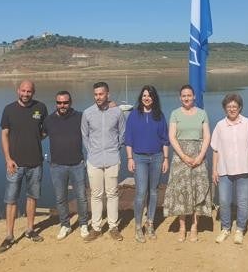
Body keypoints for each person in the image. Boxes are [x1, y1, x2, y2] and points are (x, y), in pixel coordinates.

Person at [0, 80, 48, 253]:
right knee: (11, 200)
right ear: (18, 91)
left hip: (35, 163)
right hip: (15, 164)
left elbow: (45, 130)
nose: (26, 94)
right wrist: (8, 159)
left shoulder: (41, 108)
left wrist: (33, 139)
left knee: (32, 197)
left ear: (33, 92)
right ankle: (9, 235)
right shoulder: (8, 110)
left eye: (29, 91)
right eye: (23, 91)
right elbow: (4, 134)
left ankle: (30, 230)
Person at [163, 84, 212, 242]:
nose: (186, 98)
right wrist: (184, 156)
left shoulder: (202, 113)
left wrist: (200, 157)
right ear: (180, 98)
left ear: (194, 97)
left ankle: (194, 227)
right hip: (180, 157)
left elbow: (207, 137)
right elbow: (172, 137)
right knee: (181, 192)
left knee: (197, 190)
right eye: (183, 96)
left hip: (199, 156)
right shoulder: (175, 114)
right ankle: (182, 227)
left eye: (189, 95)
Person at [81, 81, 126, 242]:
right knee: (96, 194)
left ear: (108, 94)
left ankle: (113, 227)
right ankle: (96, 228)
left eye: (101, 94)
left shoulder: (117, 113)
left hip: (113, 158)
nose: (98, 97)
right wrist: (92, 152)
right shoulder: (87, 113)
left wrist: (115, 148)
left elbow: (122, 134)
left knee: (113, 194)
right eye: (96, 94)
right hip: (94, 160)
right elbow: (85, 136)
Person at [125, 85, 170, 243]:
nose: (147, 98)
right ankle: (138, 227)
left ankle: (150, 223)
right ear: (141, 97)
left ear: (154, 98)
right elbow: (128, 138)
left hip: (157, 157)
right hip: (139, 158)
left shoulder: (160, 116)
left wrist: (166, 158)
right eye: (144, 95)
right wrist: (130, 159)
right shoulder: (133, 115)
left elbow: (165, 139)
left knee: (154, 192)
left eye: (150, 95)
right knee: (141, 192)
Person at [43, 90, 90, 240]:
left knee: (81, 197)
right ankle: (65, 225)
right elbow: (37, 136)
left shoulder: (80, 117)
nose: (62, 105)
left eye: (65, 102)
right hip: (57, 166)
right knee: (60, 198)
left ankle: (83, 224)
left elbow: (96, 122)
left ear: (71, 102)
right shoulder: (49, 120)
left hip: (77, 164)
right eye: (59, 102)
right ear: (56, 103)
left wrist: (111, 105)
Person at [211, 93, 248, 245]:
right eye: (229, 106)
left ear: (240, 107)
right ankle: (225, 228)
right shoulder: (220, 126)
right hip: (224, 170)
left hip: (244, 169)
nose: (232, 109)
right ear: (225, 108)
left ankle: (240, 229)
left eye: (235, 106)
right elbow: (215, 149)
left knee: (243, 202)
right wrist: (214, 170)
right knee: (224, 201)